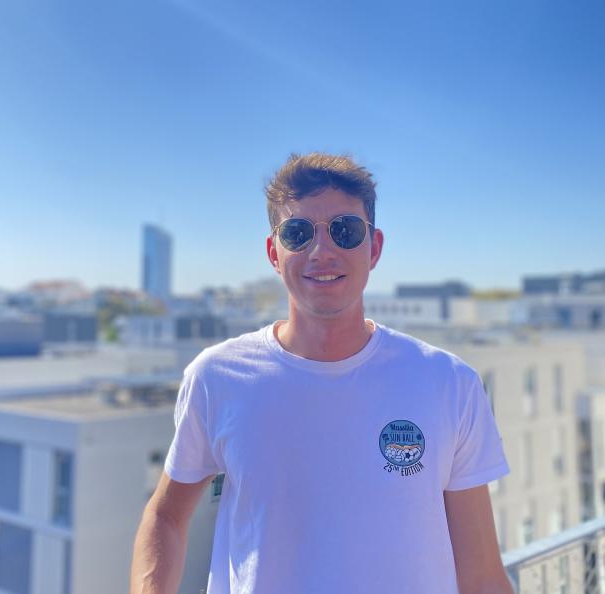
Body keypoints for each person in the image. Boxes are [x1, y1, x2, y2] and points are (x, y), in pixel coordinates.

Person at [130, 152, 513, 594]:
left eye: (344, 231)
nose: (322, 251)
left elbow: (482, 575)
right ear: (275, 253)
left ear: (374, 248)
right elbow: (165, 516)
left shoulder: (448, 383)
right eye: (298, 232)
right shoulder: (217, 377)